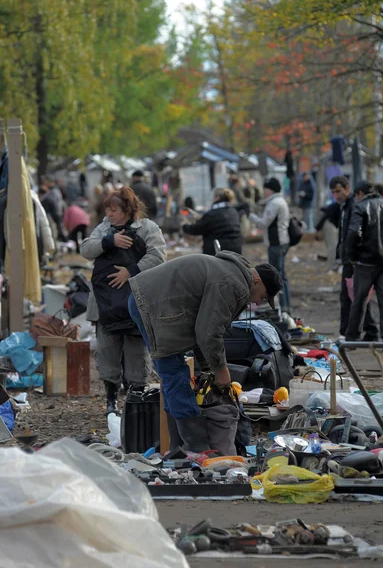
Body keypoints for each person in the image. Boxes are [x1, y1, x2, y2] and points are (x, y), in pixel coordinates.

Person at [128, 252, 282, 452]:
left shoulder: (233, 275)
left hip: (153, 300)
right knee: (175, 374)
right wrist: (220, 370)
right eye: (263, 296)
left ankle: (178, 446)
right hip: (153, 304)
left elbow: (204, 327)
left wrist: (209, 367)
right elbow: (208, 333)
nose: (259, 302)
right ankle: (196, 447)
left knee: (173, 376)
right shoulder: (233, 284)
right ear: (257, 280)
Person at [80, 186, 166, 414]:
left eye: (114, 209)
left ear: (128, 209)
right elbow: (86, 249)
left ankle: (135, 400)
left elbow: (158, 256)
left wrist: (131, 270)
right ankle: (110, 401)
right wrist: (109, 242)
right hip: (104, 304)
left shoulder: (148, 228)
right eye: (107, 209)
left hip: (136, 301)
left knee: (136, 352)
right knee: (107, 351)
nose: (109, 214)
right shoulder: (104, 229)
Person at [345, 181, 383, 344]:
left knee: (360, 299)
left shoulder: (360, 207)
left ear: (360, 193)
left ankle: (353, 337)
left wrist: (352, 255)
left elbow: (354, 232)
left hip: (366, 261)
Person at [330, 176, 379, 341]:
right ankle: (361, 331)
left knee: (353, 296)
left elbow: (354, 233)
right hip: (349, 258)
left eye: (338, 191)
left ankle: (357, 331)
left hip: (353, 259)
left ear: (347, 189)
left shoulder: (353, 206)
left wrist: (351, 255)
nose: (336, 195)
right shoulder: (344, 207)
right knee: (354, 295)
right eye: (333, 192)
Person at [249, 177, 291, 314]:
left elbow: (263, 223)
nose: (264, 191)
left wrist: (250, 216)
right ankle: (285, 308)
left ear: (270, 189)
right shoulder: (279, 201)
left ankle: (282, 309)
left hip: (276, 244)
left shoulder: (274, 203)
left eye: (265, 188)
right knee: (282, 276)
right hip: (281, 242)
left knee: (277, 277)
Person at [182, 188, 242, 255]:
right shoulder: (233, 212)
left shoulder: (211, 215)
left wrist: (184, 226)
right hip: (236, 251)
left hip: (218, 253)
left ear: (217, 198)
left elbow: (196, 229)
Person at [315, 201, 341, 272]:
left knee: (332, 246)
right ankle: (333, 266)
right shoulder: (338, 205)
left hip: (331, 224)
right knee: (332, 246)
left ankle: (333, 264)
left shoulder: (338, 204)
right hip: (330, 224)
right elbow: (325, 216)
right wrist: (318, 228)